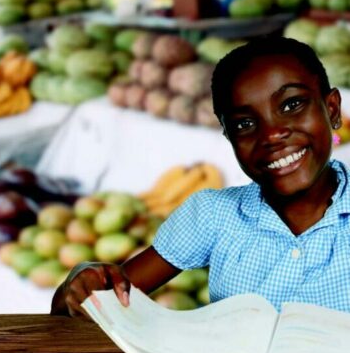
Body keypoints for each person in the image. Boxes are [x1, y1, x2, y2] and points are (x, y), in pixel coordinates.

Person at [51, 36, 350, 318]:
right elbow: (89, 302)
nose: (272, 135)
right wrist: (84, 278)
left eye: (291, 105)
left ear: (333, 109)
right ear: (229, 137)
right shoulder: (213, 215)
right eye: (245, 123)